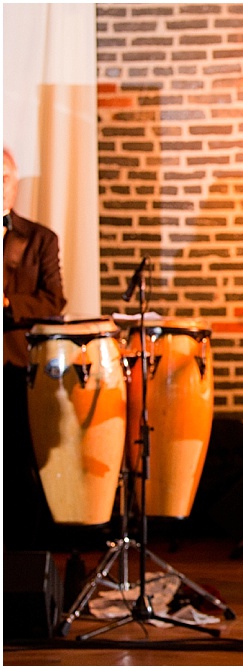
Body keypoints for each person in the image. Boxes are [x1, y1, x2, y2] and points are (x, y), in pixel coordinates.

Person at [3, 145, 67, 549]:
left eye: (4, 178)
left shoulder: (40, 239)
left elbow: (53, 302)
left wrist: (8, 304)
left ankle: (21, 560)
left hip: (15, 368)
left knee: (17, 467)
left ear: (15, 183)